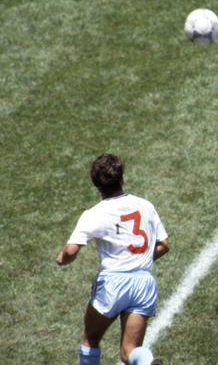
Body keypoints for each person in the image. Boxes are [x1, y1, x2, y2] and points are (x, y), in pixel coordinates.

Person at [56, 154, 169, 365]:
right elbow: (164, 245)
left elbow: (71, 251)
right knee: (129, 353)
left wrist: (61, 258)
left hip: (112, 285)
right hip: (143, 284)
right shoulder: (145, 205)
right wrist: (140, 259)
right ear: (121, 177)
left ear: (96, 185)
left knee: (90, 339)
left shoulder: (94, 214)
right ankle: (146, 362)